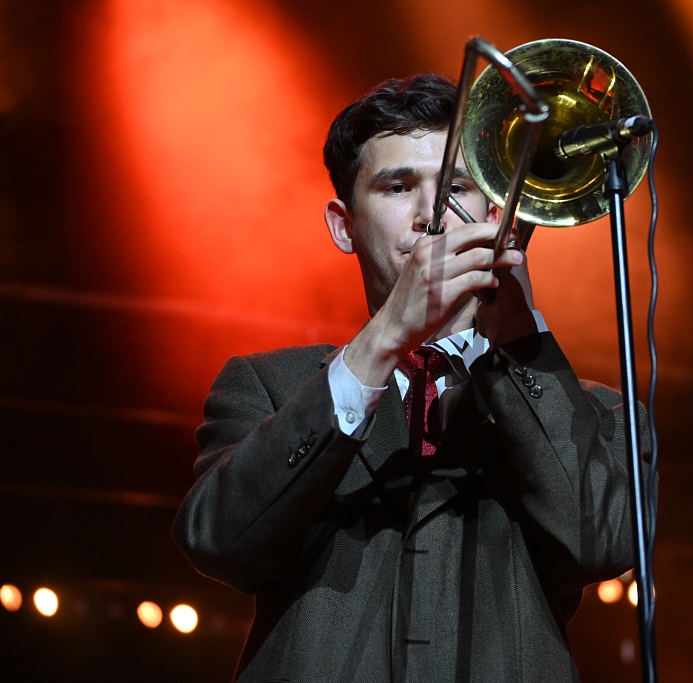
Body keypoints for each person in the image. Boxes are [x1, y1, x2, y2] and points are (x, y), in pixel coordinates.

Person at [173, 73, 652, 683]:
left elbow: (602, 545)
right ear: (344, 225)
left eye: (457, 187)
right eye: (398, 187)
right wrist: (382, 341)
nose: (433, 214)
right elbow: (221, 544)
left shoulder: (600, 413)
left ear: (496, 211)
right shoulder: (267, 386)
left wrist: (519, 336)